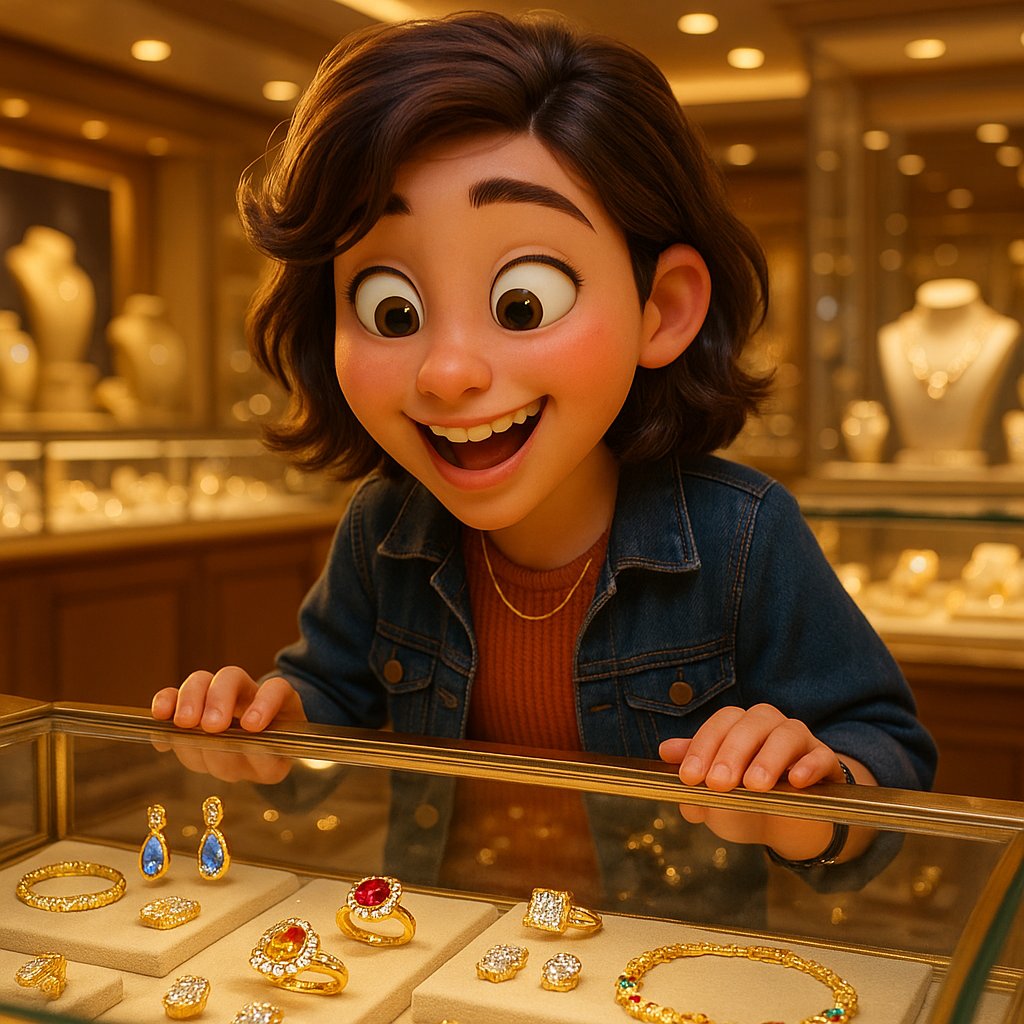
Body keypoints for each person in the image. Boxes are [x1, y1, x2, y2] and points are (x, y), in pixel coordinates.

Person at [151, 11, 936, 874]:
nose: (448, 372)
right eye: (392, 311)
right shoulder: (383, 529)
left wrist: (810, 797)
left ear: (663, 308)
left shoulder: (742, 537)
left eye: (523, 303)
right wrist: (269, 728)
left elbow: (887, 755)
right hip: (439, 940)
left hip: (653, 954)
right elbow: (329, 706)